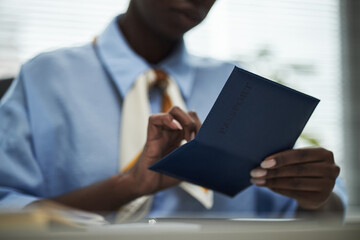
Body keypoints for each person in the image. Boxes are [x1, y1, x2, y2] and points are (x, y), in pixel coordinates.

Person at [0, 0, 346, 219]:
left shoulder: (238, 85)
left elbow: (314, 209)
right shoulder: (44, 78)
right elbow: (6, 212)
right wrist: (127, 186)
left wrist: (316, 194)